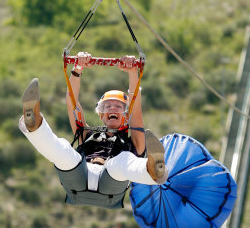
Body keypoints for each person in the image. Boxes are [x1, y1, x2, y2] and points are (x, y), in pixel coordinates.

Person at [19, 52, 167, 208]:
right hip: (80, 178)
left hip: (110, 186)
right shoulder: (87, 135)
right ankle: (34, 124)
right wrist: (77, 68)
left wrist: (132, 73)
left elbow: (136, 110)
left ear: (126, 115)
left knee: (121, 161)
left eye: (118, 106)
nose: (112, 109)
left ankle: (153, 170)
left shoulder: (134, 142)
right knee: (65, 150)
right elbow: (72, 104)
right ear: (101, 115)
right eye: (107, 106)